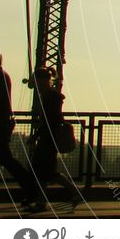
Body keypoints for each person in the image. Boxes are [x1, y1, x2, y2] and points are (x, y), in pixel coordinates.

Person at [28, 66, 81, 211]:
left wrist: (36, 135)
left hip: (48, 138)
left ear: (43, 80)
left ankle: (43, 201)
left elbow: (49, 120)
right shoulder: (51, 95)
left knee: (43, 170)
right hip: (50, 137)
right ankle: (44, 201)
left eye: (37, 80)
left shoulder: (48, 97)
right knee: (46, 171)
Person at [0, 52, 36, 203]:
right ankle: (30, 187)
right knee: (6, 158)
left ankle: (30, 187)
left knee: (6, 158)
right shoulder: (1, 76)